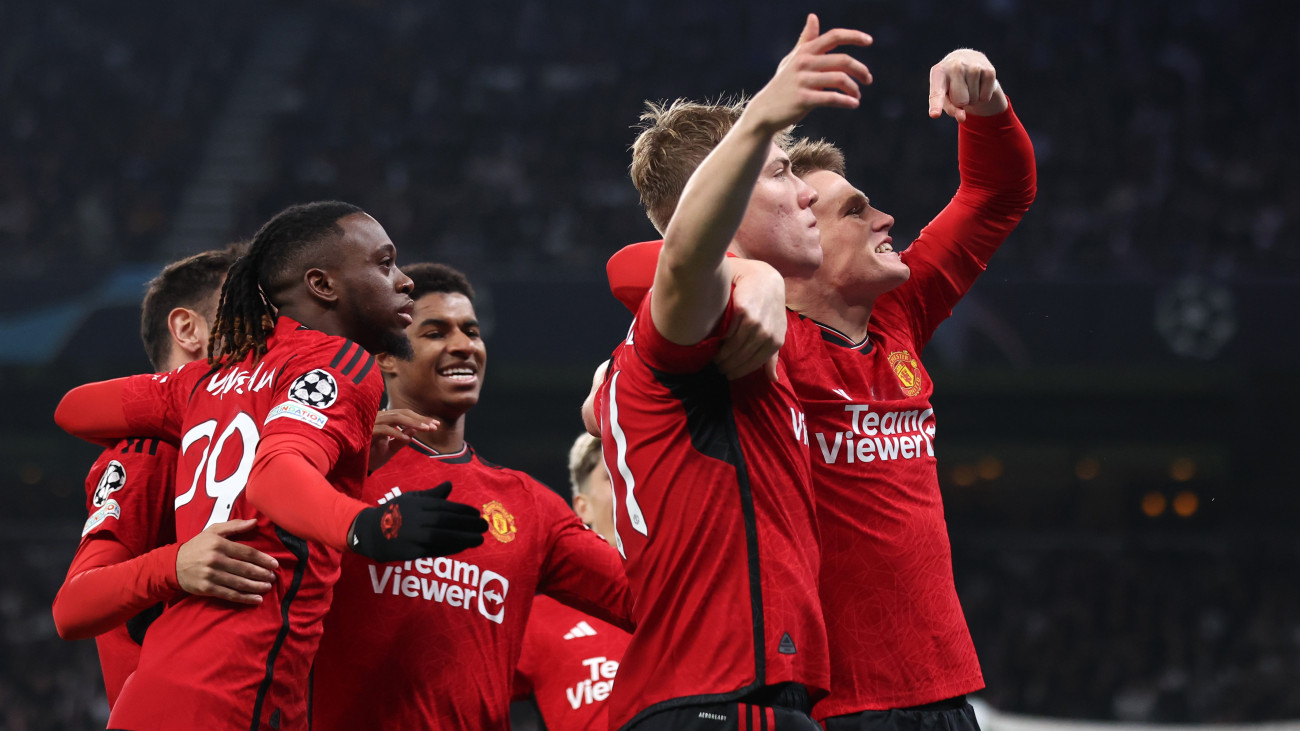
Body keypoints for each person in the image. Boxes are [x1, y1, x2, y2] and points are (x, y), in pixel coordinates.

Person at [608, 49, 1036, 731]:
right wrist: (755, 278)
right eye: (853, 209)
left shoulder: (896, 316)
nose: (885, 218)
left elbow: (996, 194)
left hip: (947, 688)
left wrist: (987, 103)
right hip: (835, 699)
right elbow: (643, 266)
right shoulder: (756, 341)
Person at [54, 201, 488, 731]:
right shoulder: (336, 360)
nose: (404, 283)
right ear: (322, 286)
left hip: (189, 693)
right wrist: (367, 526)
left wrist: (224, 402)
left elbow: (74, 408)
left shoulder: (199, 386)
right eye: (384, 263)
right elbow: (273, 474)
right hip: (228, 695)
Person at [592, 15, 871, 731]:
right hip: (710, 704)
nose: (808, 193)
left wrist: (756, 274)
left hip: (749, 701)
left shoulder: (747, 325)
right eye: (781, 172)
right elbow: (682, 258)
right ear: (723, 196)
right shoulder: (695, 328)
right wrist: (761, 119)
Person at [311, 263, 632, 730]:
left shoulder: (530, 505)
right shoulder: (337, 469)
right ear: (385, 355)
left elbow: (642, 598)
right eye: (436, 332)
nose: (464, 345)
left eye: (472, 331)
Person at [51, 244, 281, 709]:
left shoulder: (258, 440)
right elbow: (73, 607)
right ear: (187, 329)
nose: (271, 330)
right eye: (250, 310)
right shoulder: (151, 450)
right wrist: (175, 565)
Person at [513, 433, 632, 730]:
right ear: (583, 507)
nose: (632, 482)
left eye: (637, 470)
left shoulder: (689, 595)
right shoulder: (534, 617)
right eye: (612, 475)